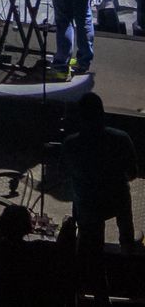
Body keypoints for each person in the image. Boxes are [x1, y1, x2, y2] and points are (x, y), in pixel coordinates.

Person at [62, 92, 138, 296]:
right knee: (123, 194)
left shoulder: (70, 144)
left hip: (88, 206)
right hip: (115, 201)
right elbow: (132, 174)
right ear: (102, 114)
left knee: (82, 205)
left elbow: (66, 173)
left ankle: (90, 286)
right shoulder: (121, 139)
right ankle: (127, 245)